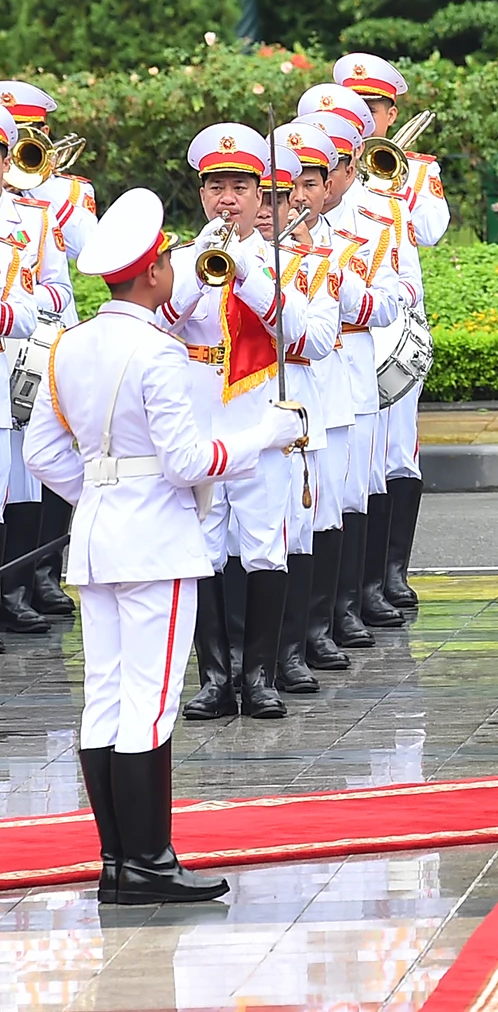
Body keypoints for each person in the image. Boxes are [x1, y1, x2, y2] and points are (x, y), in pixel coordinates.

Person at [24, 187, 304, 904]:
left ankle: (118, 860)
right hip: (154, 540)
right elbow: (187, 461)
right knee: (148, 701)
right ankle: (147, 860)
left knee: (104, 699)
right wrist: (262, 437)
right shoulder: (156, 352)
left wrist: (103, 495)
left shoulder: (69, 344)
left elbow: (43, 454)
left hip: (96, 539)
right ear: (152, 273)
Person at [161, 124, 309, 722]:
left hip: (259, 426)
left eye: (239, 188)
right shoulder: (180, 260)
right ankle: (215, 678)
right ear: (202, 194)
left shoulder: (281, 261)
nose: (228, 199)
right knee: (206, 551)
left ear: (260, 195)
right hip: (200, 427)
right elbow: (163, 323)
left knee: (264, 551)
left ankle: (260, 676)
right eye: (216, 187)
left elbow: (297, 334)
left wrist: (245, 269)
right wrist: (202, 268)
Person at [333, 55, 441, 614]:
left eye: (370, 108)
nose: (361, 118)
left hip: (396, 327)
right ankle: (357, 586)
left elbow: (432, 230)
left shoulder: (413, 171)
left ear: (389, 110)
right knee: (355, 461)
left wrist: (401, 181)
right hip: (347, 329)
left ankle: (391, 572)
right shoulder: (326, 179)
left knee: (398, 453)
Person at [0, 81, 95, 626]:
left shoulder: (37, 215)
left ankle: (18, 588)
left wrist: (16, 308)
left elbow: (62, 288)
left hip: (23, 360)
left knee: (25, 475)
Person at [265, 121, 342, 695]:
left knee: (297, 532)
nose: (271, 209)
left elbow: (316, 339)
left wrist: (270, 293)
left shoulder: (314, 263)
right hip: (234, 417)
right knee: (236, 543)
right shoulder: (201, 259)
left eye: (279, 197)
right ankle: (239, 665)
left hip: (296, 411)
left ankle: (292, 650)